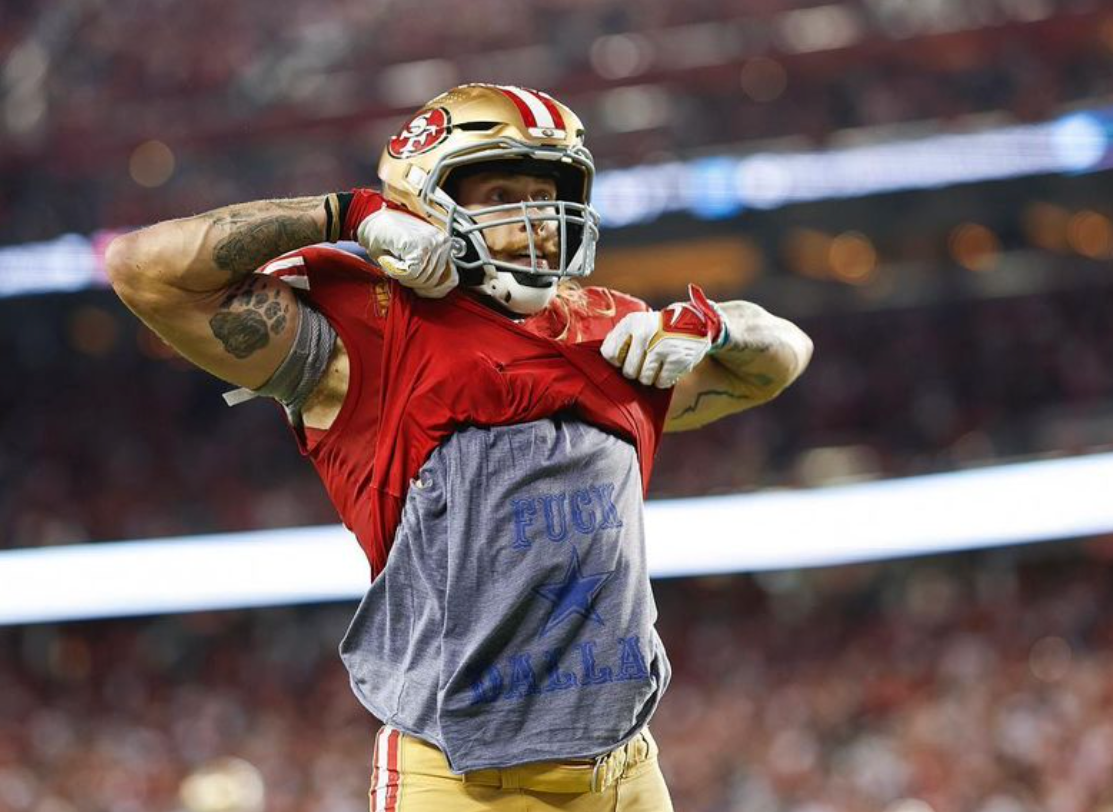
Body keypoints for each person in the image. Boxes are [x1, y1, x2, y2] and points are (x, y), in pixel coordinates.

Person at [106, 83, 813, 811]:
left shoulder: (614, 332)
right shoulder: (368, 339)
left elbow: (784, 356)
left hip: (628, 771)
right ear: (429, 201)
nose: (535, 218)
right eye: (502, 192)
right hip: (459, 783)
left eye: (547, 194)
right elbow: (142, 269)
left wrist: (716, 324)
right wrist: (348, 214)